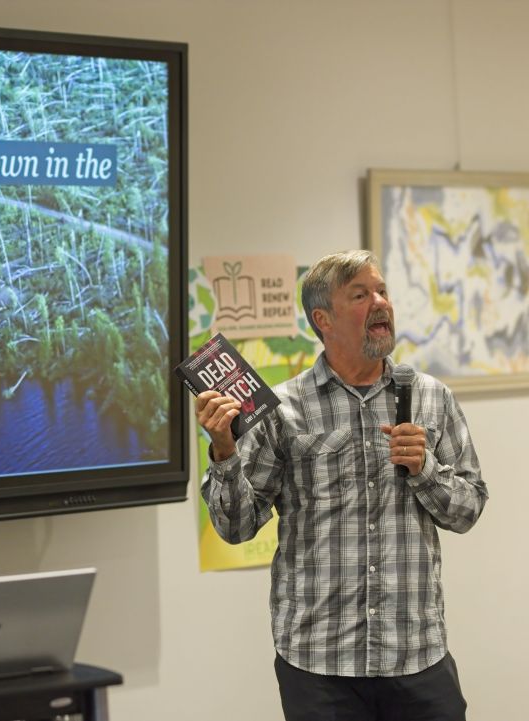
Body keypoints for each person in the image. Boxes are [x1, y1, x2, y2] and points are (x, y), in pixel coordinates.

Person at [198, 249, 488, 721]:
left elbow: (469, 509)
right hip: (320, 666)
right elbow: (236, 528)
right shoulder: (283, 409)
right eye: (360, 295)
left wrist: (426, 470)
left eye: (383, 291)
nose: (380, 303)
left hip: (416, 654)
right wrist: (225, 452)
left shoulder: (432, 398)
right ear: (323, 319)